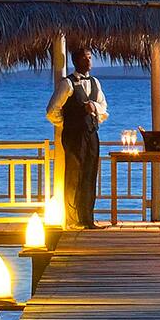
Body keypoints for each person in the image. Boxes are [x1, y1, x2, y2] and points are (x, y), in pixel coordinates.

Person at [45, 46, 108, 228]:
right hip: (74, 136)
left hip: (91, 134)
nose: (88, 61)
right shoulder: (68, 83)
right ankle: (72, 220)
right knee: (74, 176)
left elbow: (104, 109)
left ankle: (87, 218)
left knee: (90, 175)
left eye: (90, 57)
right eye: (84, 58)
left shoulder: (95, 82)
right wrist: (66, 122)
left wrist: (94, 108)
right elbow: (51, 111)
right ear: (76, 62)